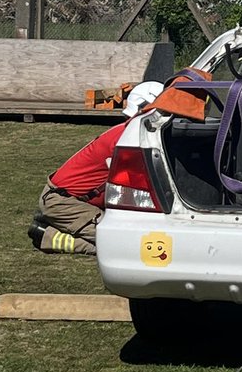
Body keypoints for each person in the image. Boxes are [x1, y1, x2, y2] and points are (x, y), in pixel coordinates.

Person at [28, 80, 164, 255]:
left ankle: (59, 221)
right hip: (64, 202)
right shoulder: (126, 139)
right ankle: (46, 235)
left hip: (69, 199)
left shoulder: (126, 132)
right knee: (128, 245)